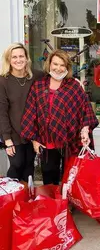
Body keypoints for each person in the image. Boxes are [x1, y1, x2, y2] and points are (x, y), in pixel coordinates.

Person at [21, 49, 99, 185]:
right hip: (46, 141)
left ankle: (68, 204)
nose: (58, 68)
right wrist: (34, 139)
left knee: (71, 175)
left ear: (67, 67)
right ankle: (52, 204)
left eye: (62, 65)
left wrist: (85, 130)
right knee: (49, 176)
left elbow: (85, 109)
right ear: (49, 64)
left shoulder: (74, 86)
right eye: (55, 64)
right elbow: (31, 112)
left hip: (70, 140)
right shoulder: (38, 86)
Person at [0, 43, 44, 182]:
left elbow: (57, 77)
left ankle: (25, 201)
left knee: (29, 168)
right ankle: (10, 197)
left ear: (27, 58)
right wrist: (7, 139)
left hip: (32, 132)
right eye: (14, 57)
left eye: (21, 56)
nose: (18, 60)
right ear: (9, 60)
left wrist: (74, 81)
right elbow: (2, 111)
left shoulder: (37, 76)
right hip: (13, 133)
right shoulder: (3, 81)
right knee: (17, 164)